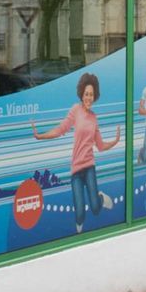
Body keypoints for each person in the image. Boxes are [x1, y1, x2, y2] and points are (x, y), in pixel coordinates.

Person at [32, 73, 121, 233]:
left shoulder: (94, 118)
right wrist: (41, 136)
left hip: (89, 167)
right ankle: (80, 228)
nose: (89, 98)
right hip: (76, 170)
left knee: (95, 209)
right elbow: (61, 129)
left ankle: (101, 198)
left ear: (95, 96)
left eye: (91, 94)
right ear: (82, 94)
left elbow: (100, 146)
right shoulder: (76, 110)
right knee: (80, 215)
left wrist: (115, 141)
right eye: (86, 94)